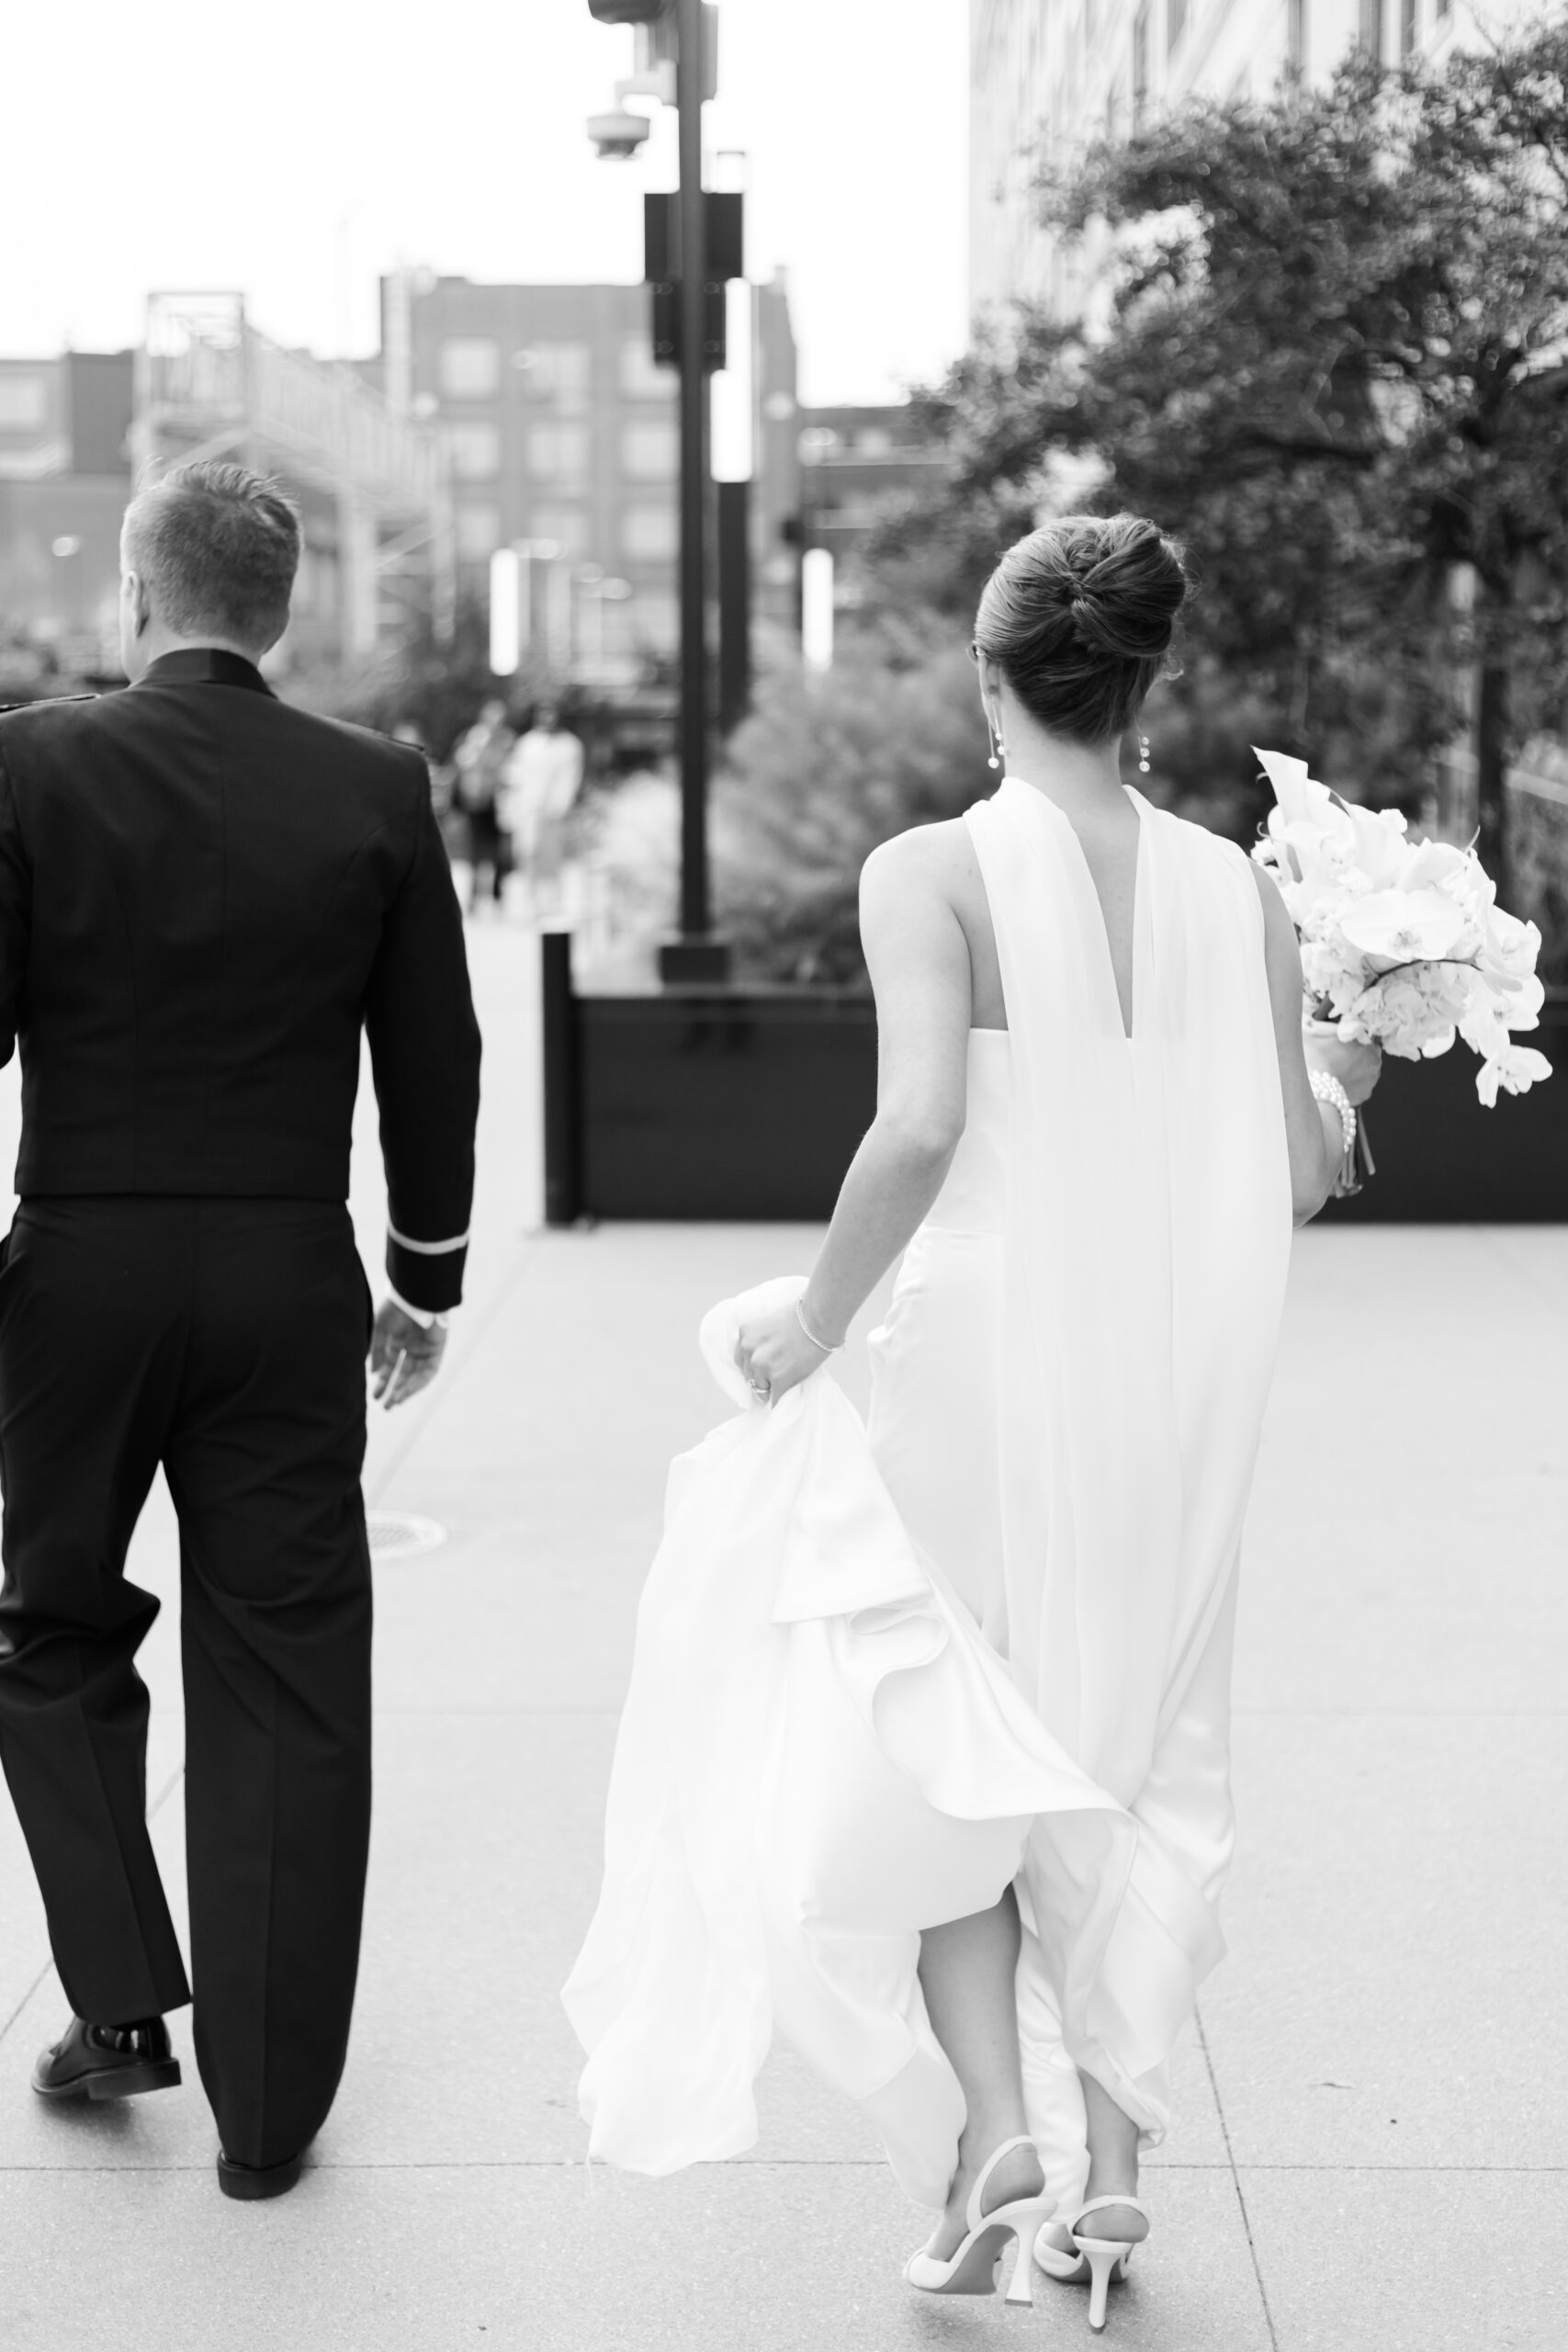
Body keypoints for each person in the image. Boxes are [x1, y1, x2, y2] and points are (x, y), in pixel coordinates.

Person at [570, 514, 1380, 2324]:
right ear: (1146, 682)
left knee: (956, 1733)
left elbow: (919, 1129)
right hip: (1160, 1371)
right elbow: (1290, 1176)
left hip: (967, 1353)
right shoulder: (1235, 893)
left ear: (987, 674)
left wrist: (816, 1322)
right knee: (1129, 1746)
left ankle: (1001, 2131)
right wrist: (1347, 1067)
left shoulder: (929, 870)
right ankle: (1114, 2172)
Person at [0, 460, 481, 2200]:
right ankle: (268, 2121)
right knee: (287, 1677)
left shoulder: (32, 763)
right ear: (286, 613)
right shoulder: (371, 786)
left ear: (138, 592)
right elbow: (434, 1056)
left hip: (79, 1277)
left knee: (44, 1628)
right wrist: (422, 1270)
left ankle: (121, 2004)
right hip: (289, 1278)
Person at [502, 701, 584, 917]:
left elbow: (570, 779)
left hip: (552, 813)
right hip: (527, 810)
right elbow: (515, 777)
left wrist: (559, 806)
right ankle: (531, 903)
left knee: (552, 859)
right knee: (527, 855)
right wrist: (511, 808)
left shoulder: (569, 745)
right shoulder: (527, 743)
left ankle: (553, 903)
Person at [451, 697, 516, 910]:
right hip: (476, 801)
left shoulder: (507, 739)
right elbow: (462, 762)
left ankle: (497, 896)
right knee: (474, 851)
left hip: (499, 803)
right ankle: (473, 897)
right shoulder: (474, 736)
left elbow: (512, 768)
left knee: (498, 851)